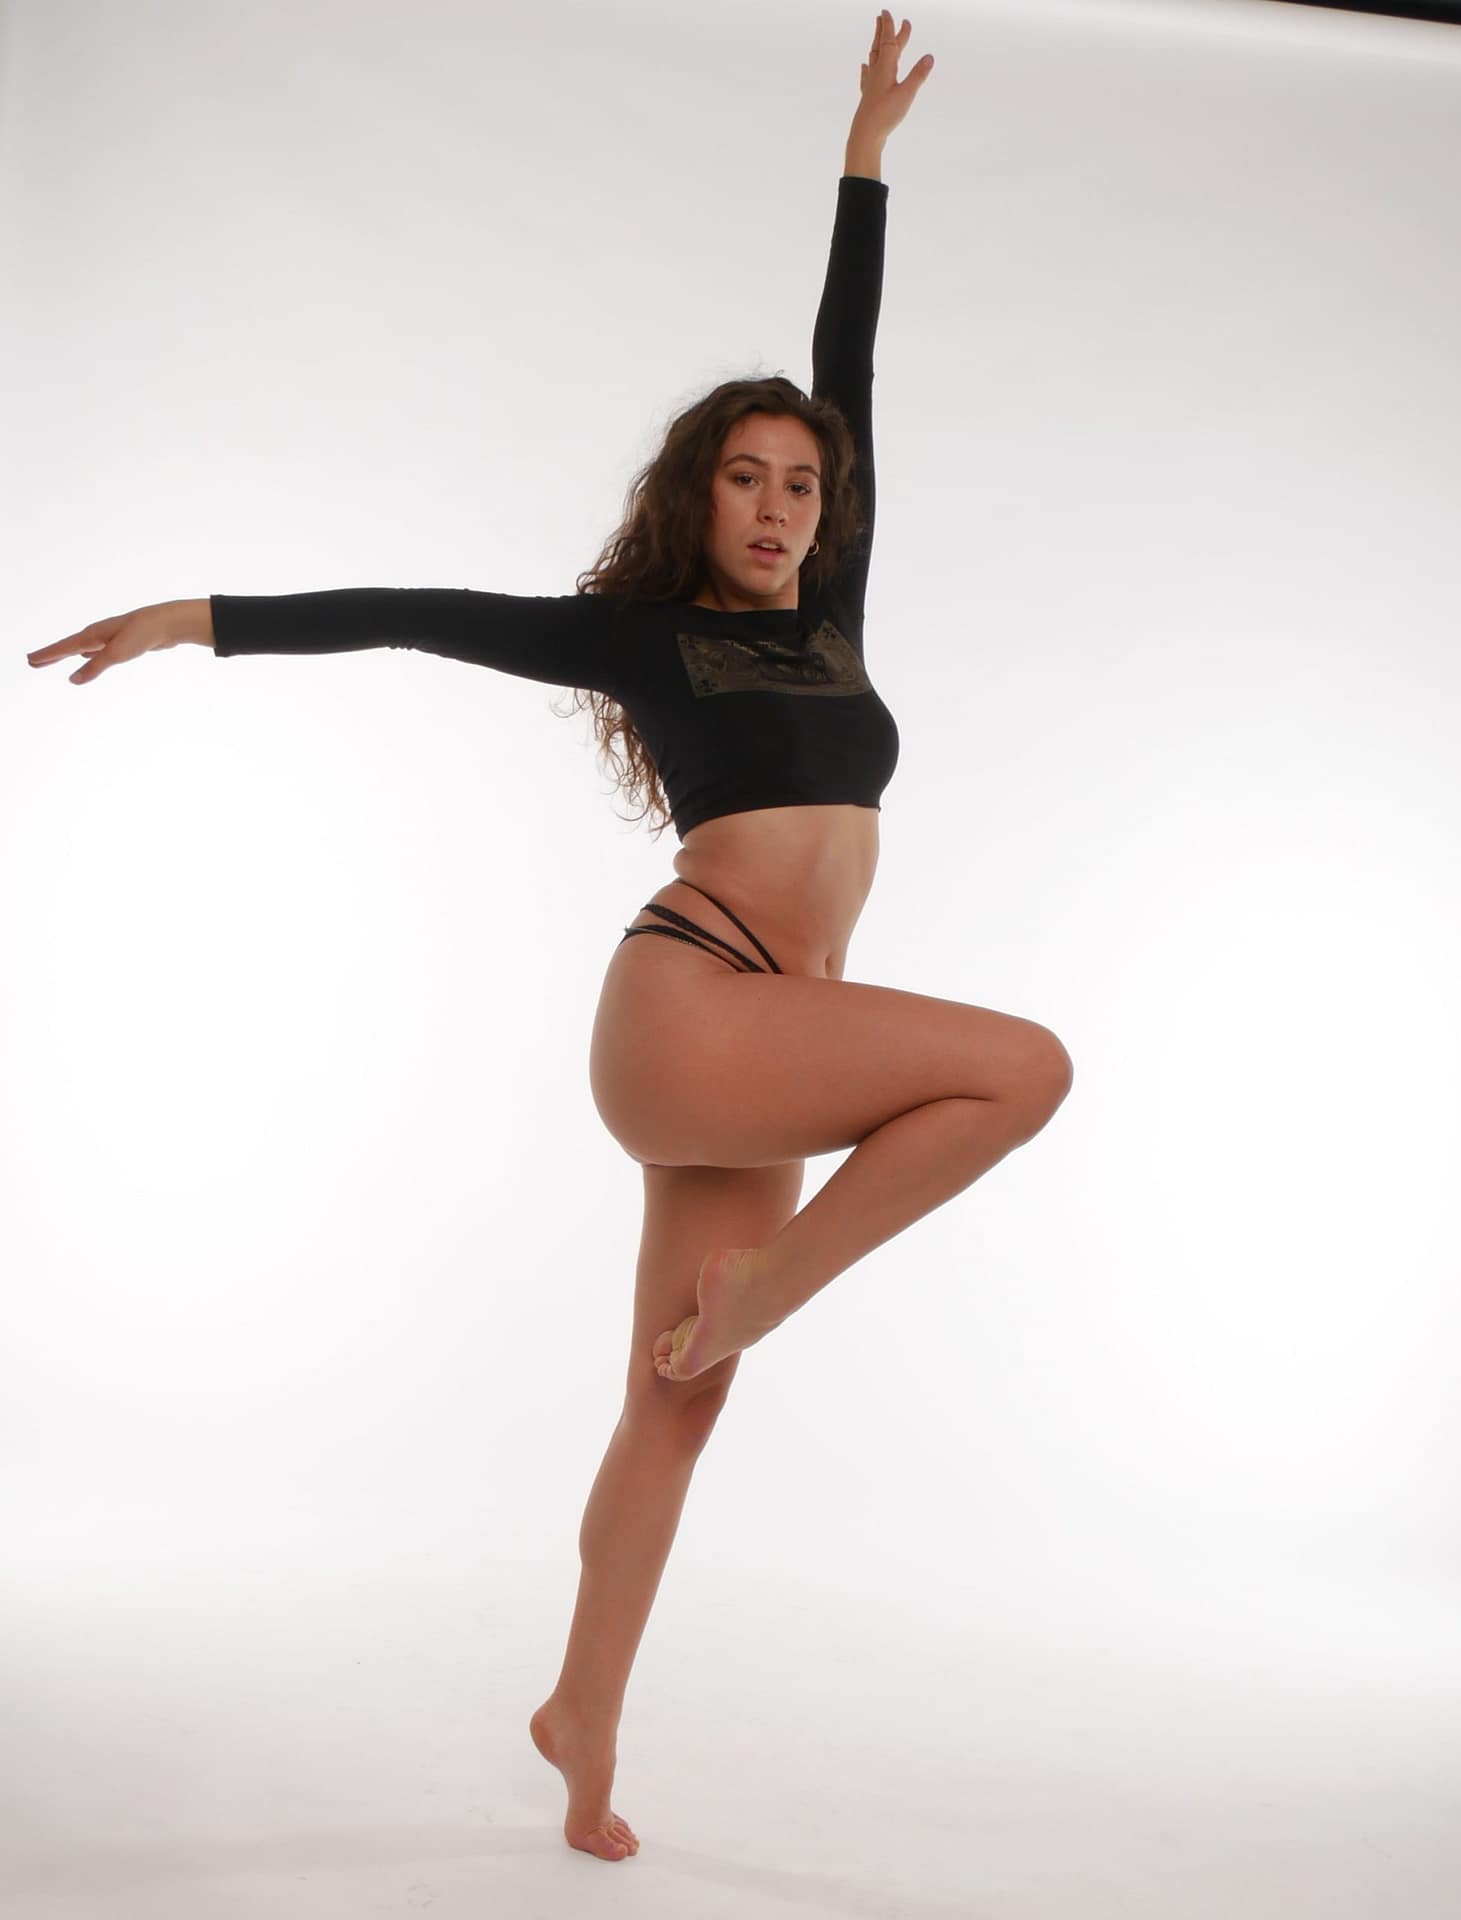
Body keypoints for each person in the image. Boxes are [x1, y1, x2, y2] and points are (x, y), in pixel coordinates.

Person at [28, 13, 1070, 1868]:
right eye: (745, 478)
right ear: (696, 495)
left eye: (802, 484)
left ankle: (580, 1723)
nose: (779, 506)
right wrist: (194, 617)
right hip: (692, 1010)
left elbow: (851, 361)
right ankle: (766, 1294)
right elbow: (410, 610)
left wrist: (863, 159)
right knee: (1021, 1069)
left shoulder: (834, 614)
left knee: (674, 1404)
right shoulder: (641, 635)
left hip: (757, 1051)